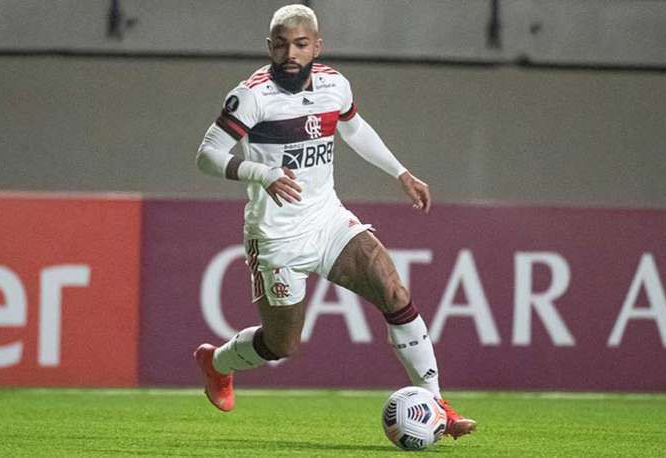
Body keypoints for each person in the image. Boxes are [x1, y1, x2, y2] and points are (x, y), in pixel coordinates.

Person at [193, 4, 476, 439]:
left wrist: (401, 173)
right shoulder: (253, 96)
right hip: (276, 236)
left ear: (316, 46)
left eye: (301, 44)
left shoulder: (334, 85)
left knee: (393, 291)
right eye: (282, 44)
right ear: (270, 47)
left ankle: (438, 402)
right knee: (281, 344)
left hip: (327, 219)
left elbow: (356, 130)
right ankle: (217, 363)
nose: (291, 53)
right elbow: (207, 155)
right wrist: (261, 172)